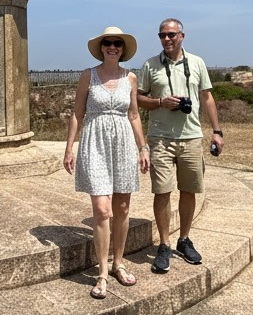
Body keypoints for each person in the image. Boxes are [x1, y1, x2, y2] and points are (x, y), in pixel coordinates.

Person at [63, 26, 150, 299]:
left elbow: (134, 115)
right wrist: (69, 148)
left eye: (117, 43)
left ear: (123, 49)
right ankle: (101, 272)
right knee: (102, 210)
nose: (113, 47)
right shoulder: (88, 76)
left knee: (123, 206)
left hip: (123, 143)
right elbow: (78, 113)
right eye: (108, 43)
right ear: (101, 47)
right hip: (95, 143)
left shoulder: (130, 78)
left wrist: (143, 147)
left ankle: (118, 263)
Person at [137, 18, 224, 273]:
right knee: (162, 191)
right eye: (162, 35)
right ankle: (164, 244)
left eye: (172, 35)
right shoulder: (150, 65)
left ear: (182, 36)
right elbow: (140, 98)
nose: (167, 39)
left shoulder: (196, 63)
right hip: (160, 138)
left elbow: (207, 97)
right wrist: (161, 102)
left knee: (189, 190)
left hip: (191, 137)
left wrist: (216, 131)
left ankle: (184, 239)